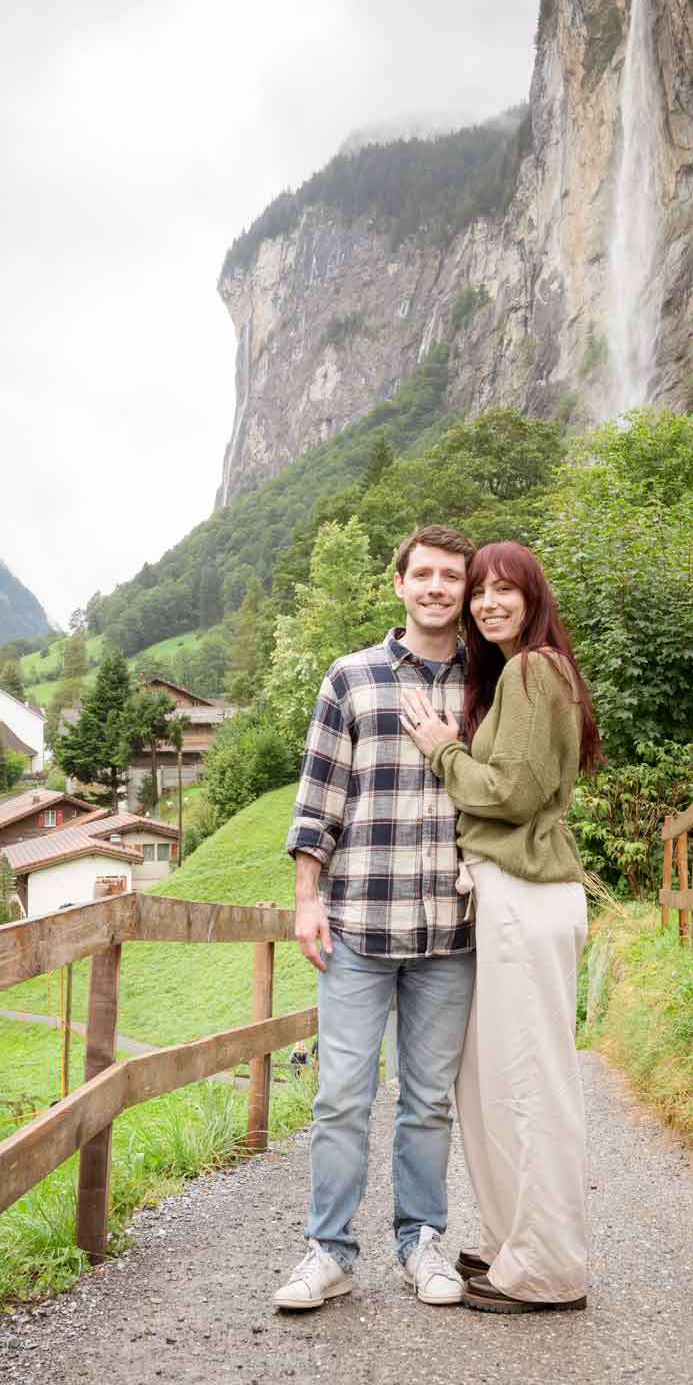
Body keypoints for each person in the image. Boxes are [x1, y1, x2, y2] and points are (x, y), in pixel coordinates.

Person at [274, 524, 477, 1312]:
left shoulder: (486, 682)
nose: (436, 587)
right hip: (358, 925)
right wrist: (305, 899)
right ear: (398, 584)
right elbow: (316, 799)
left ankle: (422, 1242)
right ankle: (328, 1252)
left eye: (450, 576)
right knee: (341, 1096)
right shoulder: (351, 678)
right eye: (422, 573)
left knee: (428, 1100)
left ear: (464, 587)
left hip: (449, 936)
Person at [400, 539, 602, 1315]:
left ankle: (548, 1270)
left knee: (528, 1087)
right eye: (477, 590)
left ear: (533, 595)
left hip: (524, 894)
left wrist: (441, 750)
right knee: (494, 1082)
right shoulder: (529, 671)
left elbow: (513, 795)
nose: (485, 602)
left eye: (502, 590)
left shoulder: (530, 668)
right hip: (515, 896)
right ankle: (511, 1243)